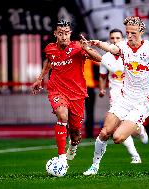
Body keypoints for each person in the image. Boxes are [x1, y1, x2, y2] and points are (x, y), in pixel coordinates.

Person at [83, 16, 149, 176]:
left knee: (118, 137)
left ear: (141, 31)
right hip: (125, 98)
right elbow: (112, 49)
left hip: (143, 102)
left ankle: (138, 128)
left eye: (133, 33)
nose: (130, 36)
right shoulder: (123, 46)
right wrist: (96, 43)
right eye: (127, 33)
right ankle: (94, 166)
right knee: (105, 132)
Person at [31, 20, 102, 168]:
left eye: (66, 33)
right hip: (56, 90)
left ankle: (73, 146)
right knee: (62, 115)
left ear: (70, 33)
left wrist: (87, 49)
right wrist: (39, 79)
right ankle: (61, 157)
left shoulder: (77, 47)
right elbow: (50, 62)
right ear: (55, 34)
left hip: (77, 94)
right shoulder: (50, 48)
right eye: (61, 33)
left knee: (76, 133)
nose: (64, 36)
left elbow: (99, 59)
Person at [98, 28, 145, 164]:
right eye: (112, 38)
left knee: (128, 125)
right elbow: (102, 76)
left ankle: (139, 128)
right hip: (116, 95)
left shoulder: (131, 54)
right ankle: (135, 156)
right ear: (109, 40)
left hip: (132, 94)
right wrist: (102, 89)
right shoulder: (105, 58)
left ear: (123, 39)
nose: (115, 41)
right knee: (118, 126)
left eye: (118, 38)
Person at [83, 58, 100, 138]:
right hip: (88, 86)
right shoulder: (89, 55)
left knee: (73, 112)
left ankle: (70, 134)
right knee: (90, 111)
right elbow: (100, 62)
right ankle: (89, 134)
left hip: (78, 86)